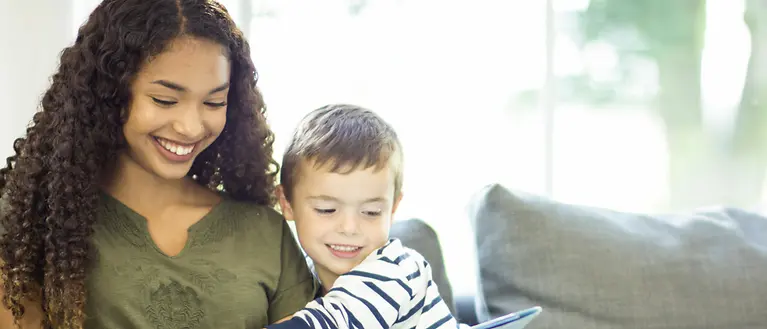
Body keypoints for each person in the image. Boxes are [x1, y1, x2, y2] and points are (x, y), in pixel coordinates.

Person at [0, 1, 316, 328]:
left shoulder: (266, 234)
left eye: (213, 102)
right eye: (165, 100)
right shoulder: (33, 226)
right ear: (110, 93)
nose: (191, 127)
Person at [267, 104, 461, 329]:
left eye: (371, 213)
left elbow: (328, 323)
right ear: (286, 203)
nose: (349, 228)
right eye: (326, 209)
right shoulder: (301, 277)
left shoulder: (397, 272)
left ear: (393, 208)